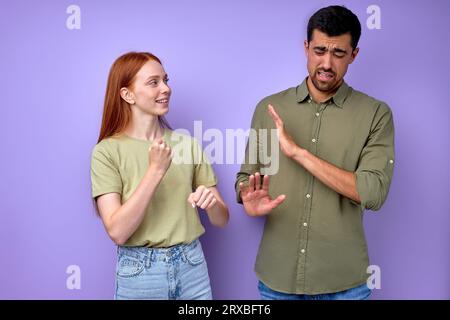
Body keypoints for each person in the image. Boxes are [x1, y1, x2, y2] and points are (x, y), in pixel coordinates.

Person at [235, 5, 395, 300]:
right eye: (319, 50)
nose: (326, 63)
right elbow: (246, 177)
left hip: (344, 284)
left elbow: (372, 192)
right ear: (306, 47)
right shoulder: (270, 109)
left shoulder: (375, 114)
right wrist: (248, 198)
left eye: (338, 54)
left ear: (354, 55)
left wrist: (298, 153)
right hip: (277, 279)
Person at [91, 52, 229, 300]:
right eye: (153, 82)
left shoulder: (187, 144)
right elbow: (118, 231)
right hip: (141, 274)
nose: (166, 88)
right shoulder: (106, 152)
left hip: (192, 267)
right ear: (127, 94)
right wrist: (155, 171)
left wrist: (212, 204)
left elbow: (221, 220)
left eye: (166, 80)